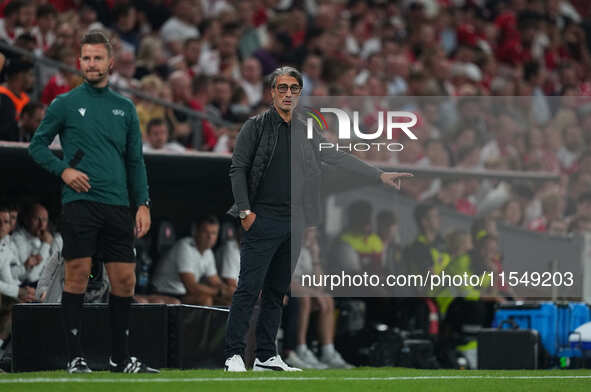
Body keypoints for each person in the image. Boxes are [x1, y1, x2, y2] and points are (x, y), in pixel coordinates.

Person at [223, 66, 412, 372]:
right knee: (248, 288)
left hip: (295, 221)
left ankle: (265, 356)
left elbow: (336, 155)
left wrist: (378, 174)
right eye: (281, 88)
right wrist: (245, 212)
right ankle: (233, 354)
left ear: (299, 94)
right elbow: (238, 169)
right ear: (272, 92)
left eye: (293, 89)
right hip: (262, 218)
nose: (287, 94)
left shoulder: (307, 130)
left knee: (277, 292)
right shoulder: (254, 127)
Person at [28, 30, 157, 374]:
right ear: (79, 62)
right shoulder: (65, 103)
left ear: (111, 63)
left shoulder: (125, 108)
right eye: (86, 58)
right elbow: (37, 146)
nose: (92, 64)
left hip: (118, 206)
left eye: (98, 58)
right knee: (78, 276)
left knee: (125, 281)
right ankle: (75, 357)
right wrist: (64, 171)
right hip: (80, 203)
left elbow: (135, 161)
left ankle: (120, 358)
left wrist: (142, 203)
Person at [151, 215, 233, 305]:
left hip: (183, 293)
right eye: (205, 232)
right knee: (205, 300)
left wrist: (230, 291)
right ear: (196, 231)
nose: (210, 237)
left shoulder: (208, 252)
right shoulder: (184, 246)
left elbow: (215, 281)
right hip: (166, 292)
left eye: (214, 233)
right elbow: (191, 286)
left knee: (228, 301)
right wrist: (220, 292)